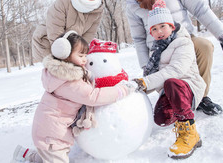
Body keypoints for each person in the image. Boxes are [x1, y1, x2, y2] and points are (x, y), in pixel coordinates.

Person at [123, 0, 223, 116]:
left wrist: (221, 32)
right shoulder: (132, 6)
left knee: (204, 47)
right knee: (170, 73)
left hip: (185, 37)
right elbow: (139, 38)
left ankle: (201, 96)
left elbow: (199, 7)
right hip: (157, 46)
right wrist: (145, 65)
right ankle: (173, 99)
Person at [11, 31, 135, 163]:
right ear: (64, 55)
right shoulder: (68, 81)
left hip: (49, 129)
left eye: (85, 55)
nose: (85, 59)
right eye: (80, 55)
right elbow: (92, 96)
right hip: (52, 134)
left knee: (48, 155)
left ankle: (25, 155)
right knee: (55, 156)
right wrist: (122, 90)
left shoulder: (59, 76)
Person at [132, 0, 205, 159]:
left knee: (171, 82)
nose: (159, 31)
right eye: (155, 29)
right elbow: (152, 77)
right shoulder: (156, 50)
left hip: (188, 87)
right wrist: (136, 87)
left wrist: (146, 83)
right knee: (161, 119)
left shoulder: (183, 42)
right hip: (170, 91)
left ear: (172, 26)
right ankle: (179, 111)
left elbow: (175, 71)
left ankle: (190, 131)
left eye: (163, 26)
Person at [32, 0, 105, 62]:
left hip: (72, 46)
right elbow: (55, 28)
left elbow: (89, 34)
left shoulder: (97, 9)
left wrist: (79, 52)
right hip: (48, 41)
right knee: (61, 73)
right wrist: (65, 53)